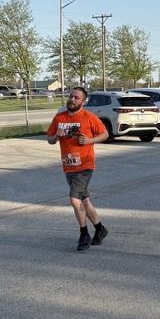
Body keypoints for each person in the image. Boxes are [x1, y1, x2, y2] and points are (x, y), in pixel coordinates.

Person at [46, 86, 109, 250]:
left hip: (85, 165)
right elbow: (50, 139)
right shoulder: (60, 117)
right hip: (68, 166)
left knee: (74, 200)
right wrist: (56, 136)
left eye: (76, 98)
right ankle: (100, 229)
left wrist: (89, 141)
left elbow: (104, 134)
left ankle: (84, 234)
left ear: (83, 101)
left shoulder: (89, 117)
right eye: (71, 96)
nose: (72, 100)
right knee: (83, 201)